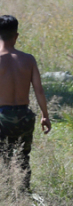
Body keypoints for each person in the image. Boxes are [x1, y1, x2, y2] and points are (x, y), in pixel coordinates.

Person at [0, 15, 51, 192]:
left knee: (3, 158)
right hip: (24, 117)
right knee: (23, 157)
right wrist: (45, 116)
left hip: (3, 117)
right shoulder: (28, 59)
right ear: (16, 36)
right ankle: (23, 193)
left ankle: (5, 194)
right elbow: (39, 91)